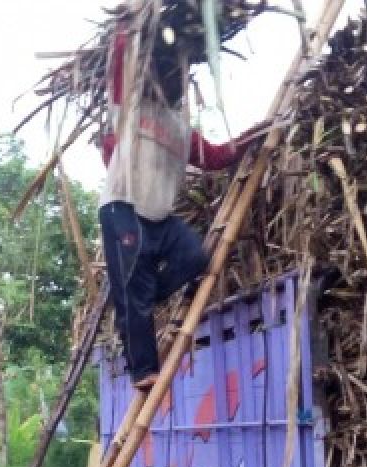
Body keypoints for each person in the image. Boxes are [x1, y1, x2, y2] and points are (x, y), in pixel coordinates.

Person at [99, 21, 267, 390]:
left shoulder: (179, 127)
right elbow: (119, 68)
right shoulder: (130, 108)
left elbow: (218, 157)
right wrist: (130, 29)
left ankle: (137, 297)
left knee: (195, 258)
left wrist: (255, 135)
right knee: (135, 291)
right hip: (123, 209)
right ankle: (143, 370)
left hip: (159, 218)